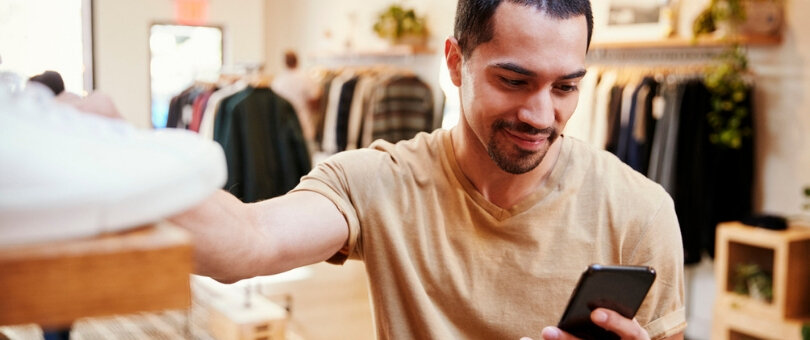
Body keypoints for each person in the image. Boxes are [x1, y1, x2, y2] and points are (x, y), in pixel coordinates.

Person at [171, 1, 686, 339]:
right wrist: (110, 158)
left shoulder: (640, 211)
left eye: (565, 88)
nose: (541, 115)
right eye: (513, 80)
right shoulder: (379, 181)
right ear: (456, 63)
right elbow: (247, 240)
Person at [271, 50, 320, 148]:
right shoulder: (305, 78)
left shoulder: (278, 81)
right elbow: (315, 100)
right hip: (304, 122)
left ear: (284, 62)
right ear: (297, 61)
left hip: (284, 125)